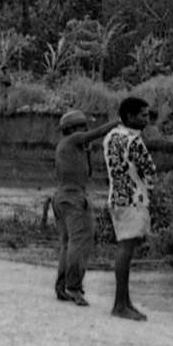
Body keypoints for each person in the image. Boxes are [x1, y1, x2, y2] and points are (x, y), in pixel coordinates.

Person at [51, 109, 116, 306]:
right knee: (79, 243)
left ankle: (63, 286)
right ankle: (73, 287)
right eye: (83, 127)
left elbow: (88, 172)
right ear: (73, 129)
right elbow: (98, 133)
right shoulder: (73, 140)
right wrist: (119, 122)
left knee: (67, 244)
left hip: (63, 197)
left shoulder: (68, 146)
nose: (86, 130)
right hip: (74, 198)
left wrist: (87, 151)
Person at [101, 97, 158, 321]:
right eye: (143, 115)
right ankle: (120, 304)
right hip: (133, 197)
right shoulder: (134, 141)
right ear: (131, 117)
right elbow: (149, 171)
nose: (147, 119)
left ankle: (124, 302)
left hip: (116, 196)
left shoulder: (111, 137)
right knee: (126, 249)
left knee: (124, 247)